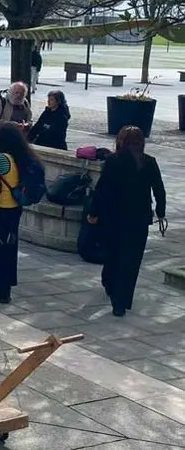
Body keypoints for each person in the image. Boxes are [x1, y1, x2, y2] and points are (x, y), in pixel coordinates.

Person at [87, 126, 166, 317]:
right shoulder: (149, 162)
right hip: (138, 218)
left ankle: (110, 283)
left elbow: (102, 189)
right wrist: (160, 212)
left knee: (114, 252)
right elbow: (159, 189)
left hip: (114, 216)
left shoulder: (113, 161)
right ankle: (121, 301)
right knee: (131, 260)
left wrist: (94, 212)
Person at [0, 122, 37, 304]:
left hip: (0, 209)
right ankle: (0, 286)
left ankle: (0, 290)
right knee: (8, 249)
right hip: (13, 208)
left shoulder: (0, 159)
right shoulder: (18, 157)